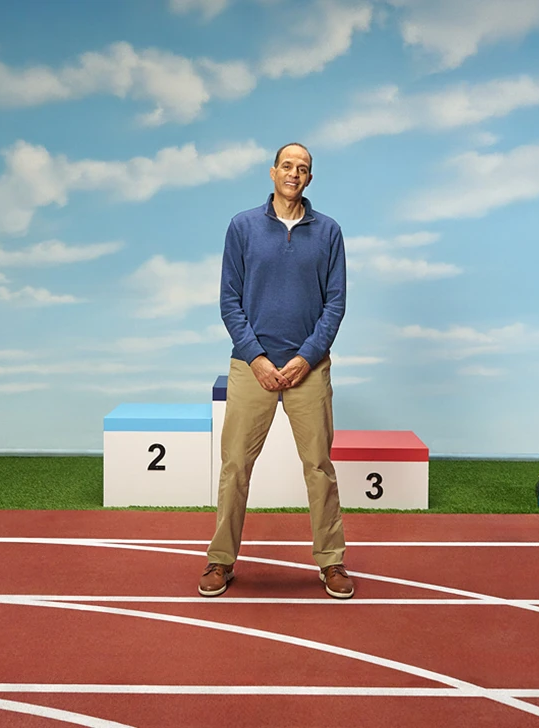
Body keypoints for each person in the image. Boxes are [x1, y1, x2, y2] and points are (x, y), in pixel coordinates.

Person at [198, 142, 354, 599]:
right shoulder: (242, 227)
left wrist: (307, 357)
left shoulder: (329, 232)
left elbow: (336, 303)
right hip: (253, 367)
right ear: (272, 173)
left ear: (309, 179)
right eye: (287, 165)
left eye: (303, 168)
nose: (294, 173)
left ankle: (331, 562)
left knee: (319, 467)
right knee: (235, 467)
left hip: (310, 367)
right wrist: (258, 358)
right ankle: (220, 561)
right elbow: (229, 301)